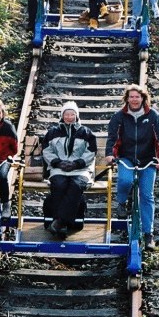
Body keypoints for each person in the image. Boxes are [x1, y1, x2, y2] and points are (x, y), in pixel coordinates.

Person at [104, 84, 159, 248]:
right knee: (124, 180)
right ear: (127, 99)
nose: (134, 100)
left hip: (148, 159)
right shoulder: (119, 117)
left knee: (147, 195)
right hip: (126, 157)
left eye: (137, 97)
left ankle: (148, 234)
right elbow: (112, 138)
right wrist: (110, 154)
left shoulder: (153, 116)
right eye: (131, 97)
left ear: (143, 98)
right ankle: (121, 202)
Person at [41, 100, 97, 237]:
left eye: (72, 114)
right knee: (59, 184)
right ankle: (63, 224)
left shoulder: (86, 132)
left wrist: (76, 164)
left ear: (77, 116)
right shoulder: (53, 132)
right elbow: (47, 150)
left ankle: (59, 222)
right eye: (66, 114)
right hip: (58, 168)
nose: (69, 117)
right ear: (62, 116)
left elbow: (91, 152)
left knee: (76, 185)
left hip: (80, 169)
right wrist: (58, 163)